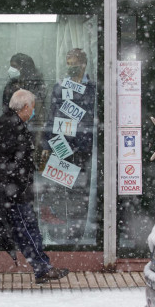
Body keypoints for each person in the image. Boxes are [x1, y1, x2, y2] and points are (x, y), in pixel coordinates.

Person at [0, 89, 70, 284]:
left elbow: (3, 157)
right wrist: (16, 185)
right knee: (27, 230)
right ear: (24, 107)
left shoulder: (9, 123)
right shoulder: (12, 126)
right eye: (31, 107)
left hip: (8, 190)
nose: (33, 111)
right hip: (13, 192)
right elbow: (7, 160)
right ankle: (42, 268)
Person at [40, 48, 97, 241]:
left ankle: (77, 233)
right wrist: (46, 145)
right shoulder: (60, 87)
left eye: (74, 63)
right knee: (59, 189)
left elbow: (93, 117)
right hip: (61, 144)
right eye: (68, 63)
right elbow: (51, 115)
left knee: (81, 191)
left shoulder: (93, 89)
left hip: (83, 145)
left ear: (83, 64)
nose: (71, 67)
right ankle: (58, 231)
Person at [1, 53, 47, 157]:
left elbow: (40, 118)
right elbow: (5, 111)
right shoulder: (10, 85)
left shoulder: (35, 85)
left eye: (15, 66)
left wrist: (37, 144)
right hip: (12, 133)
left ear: (24, 68)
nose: (11, 69)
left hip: (30, 131)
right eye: (11, 66)